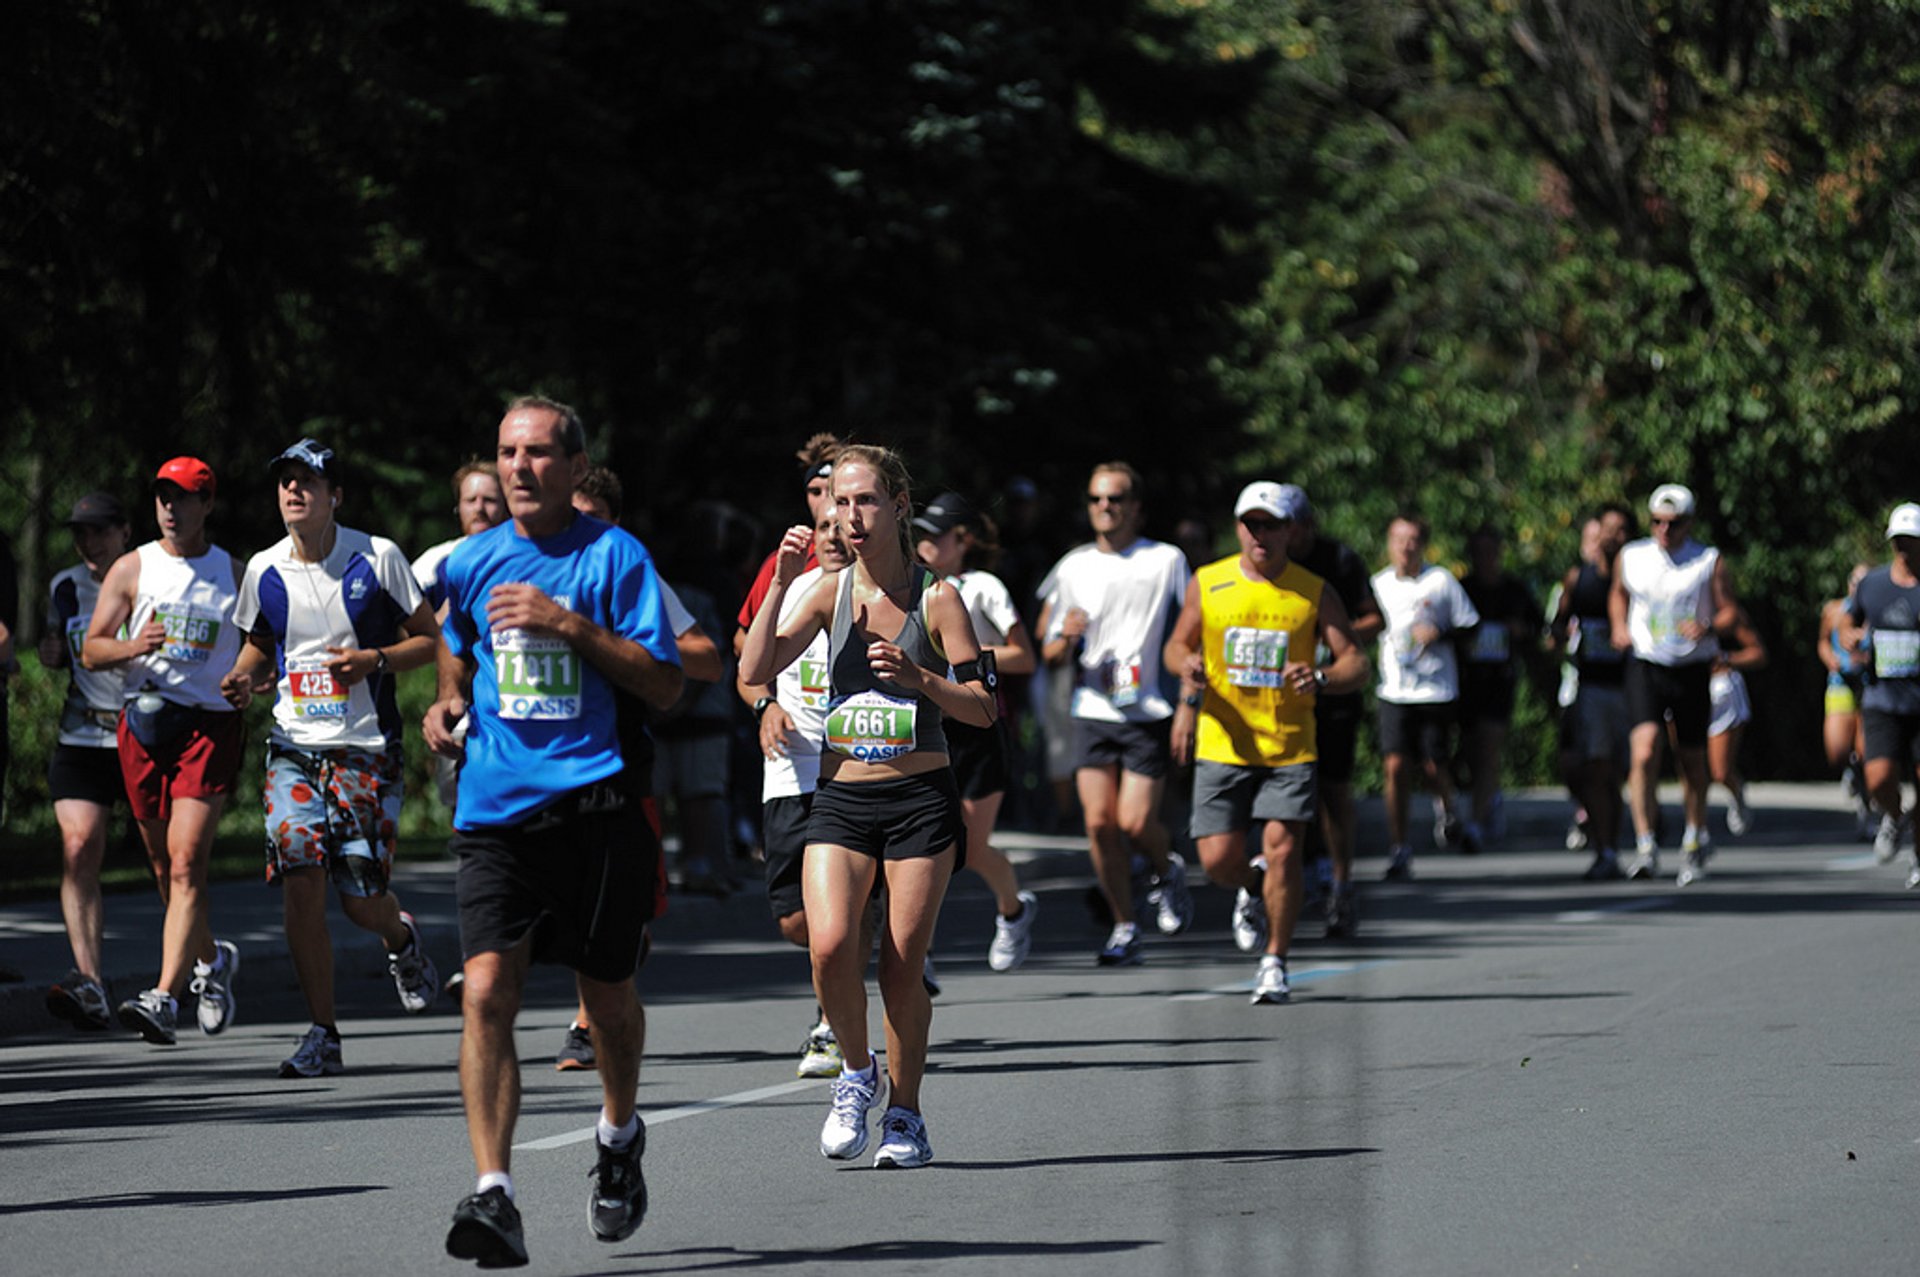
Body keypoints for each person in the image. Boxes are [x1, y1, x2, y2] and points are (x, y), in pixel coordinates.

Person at [426, 397, 682, 1267]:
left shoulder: (616, 558)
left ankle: (617, 1135)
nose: (519, 468)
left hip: (598, 812)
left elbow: (665, 683)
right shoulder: (470, 561)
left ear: (575, 466)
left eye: (537, 453)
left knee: (606, 999)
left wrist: (566, 623)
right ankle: (493, 1191)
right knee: (487, 992)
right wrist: (449, 695)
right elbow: (453, 640)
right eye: (507, 453)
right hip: (495, 812)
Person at [739, 444, 996, 1170]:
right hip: (843, 798)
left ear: (898, 505)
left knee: (901, 965)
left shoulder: (937, 596)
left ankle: (907, 1115)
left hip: (919, 801)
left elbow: (983, 708)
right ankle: (858, 1072)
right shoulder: (825, 590)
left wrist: (921, 676)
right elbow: (754, 670)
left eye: (866, 501)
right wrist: (784, 585)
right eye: (839, 502)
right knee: (828, 946)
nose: (849, 516)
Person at [219, 439, 444, 1077]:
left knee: (358, 897)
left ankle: (398, 936)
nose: (293, 492)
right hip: (293, 745)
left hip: (366, 749)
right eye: (285, 482)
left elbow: (430, 641)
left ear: (334, 497)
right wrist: (241, 676)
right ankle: (323, 1031)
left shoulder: (378, 559)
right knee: (299, 885)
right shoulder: (263, 569)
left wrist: (372, 661)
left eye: (307, 483)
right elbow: (261, 644)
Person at [1164, 483, 1368, 1004]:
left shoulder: (1312, 591)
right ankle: (1251, 887)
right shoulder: (1209, 583)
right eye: (1252, 524)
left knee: (1283, 851)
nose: (1261, 534)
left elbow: (1355, 662)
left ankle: (1275, 961)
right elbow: (1177, 645)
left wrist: (1321, 677)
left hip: (1289, 747)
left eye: (1272, 525)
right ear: (1238, 528)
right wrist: (1185, 668)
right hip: (1223, 742)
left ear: (1289, 531)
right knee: (1215, 861)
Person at [553, 465, 724, 1074]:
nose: (581, 533)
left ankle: (597, 1003)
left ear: (614, 524)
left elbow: (707, 658)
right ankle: (582, 1022)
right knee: (571, 901)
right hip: (545, 766)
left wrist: (617, 645)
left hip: (619, 765)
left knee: (612, 910)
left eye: (593, 521)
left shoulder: (630, 572)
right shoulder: (526, 566)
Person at [81, 457, 245, 1045]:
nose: (172, 508)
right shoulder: (132, 567)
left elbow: (264, 651)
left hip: (209, 726)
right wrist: (132, 645)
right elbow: (93, 650)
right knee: (163, 868)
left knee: (185, 862)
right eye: (163, 497)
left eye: (185, 498)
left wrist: (247, 680)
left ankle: (163, 996)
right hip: (145, 726)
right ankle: (212, 961)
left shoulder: (234, 573)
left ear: (207, 505)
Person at [1037, 461, 1193, 965]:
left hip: (1146, 709)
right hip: (1092, 707)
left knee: (1133, 821)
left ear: (1136, 507)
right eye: (1097, 499)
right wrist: (1066, 637)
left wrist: (1190, 691)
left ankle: (1165, 866)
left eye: (1116, 499)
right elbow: (1048, 650)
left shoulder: (1165, 559)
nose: (1105, 507)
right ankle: (1125, 926)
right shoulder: (1073, 566)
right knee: (1100, 824)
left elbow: (1193, 623)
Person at [914, 491, 1041, 971]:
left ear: (962, 540)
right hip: (933, 728)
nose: (924, 545)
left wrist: (967, 656)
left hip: (981, 727)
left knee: (965, 847)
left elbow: (1023, 656)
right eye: (919, 536)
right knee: (927, 841)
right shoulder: (914, 587)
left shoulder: (984, 587)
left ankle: (1014, 909)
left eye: (935, 536)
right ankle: (917, 954)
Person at [1609, 483, 1741, 886]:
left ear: (1689, 523)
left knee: (1690, 759)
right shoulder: (1632, 556)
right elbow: (1618, 594)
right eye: (1658, 522)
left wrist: (1707, 626)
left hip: (1690, 667)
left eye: (1675, 523)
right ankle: (1646, 844)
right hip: (1646, 665)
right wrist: (1618, 625)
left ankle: (1694, 836)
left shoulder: (1707, 560)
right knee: (1645, 749)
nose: (1665, 531)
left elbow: (1731, 612)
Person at [40, 493, 134, 1028]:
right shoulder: (65, 586)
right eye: (81, 532)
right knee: (78, 849)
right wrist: (50, 654)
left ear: (124, 532)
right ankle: (91, 982)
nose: (89, 542)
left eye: (100, 531)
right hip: (82, 734)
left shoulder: (151, 578)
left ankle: (199, 965)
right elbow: (56, 646)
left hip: (143, 733)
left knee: (173, 863)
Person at [1277, 485, 1383, 935]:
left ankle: (1341, 883)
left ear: (1307, 525)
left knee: (1333, 790)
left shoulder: (1340, 560)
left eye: (1293, 524)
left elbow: (1376, 619)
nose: (1287, 533)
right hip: (1278, 699)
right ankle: (1292, 877)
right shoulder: (1265, 565)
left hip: (1332, 692)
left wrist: (1329, 635)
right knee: (1286, 792)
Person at [1372, 514, 1479, 879]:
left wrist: (1440, 634)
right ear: (1388, 543)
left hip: (1435, 689)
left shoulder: (1441, 581)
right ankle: (1399, 847)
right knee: (1395, 767)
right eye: (1399, 539)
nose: (1406, 546)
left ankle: (1449, 808)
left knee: (1434, 766)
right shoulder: (1378, 585)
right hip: (1394, 690)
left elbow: (1471, 627)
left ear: (1423, 543)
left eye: (1413, 539)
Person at [1547, 505, 1634, 879]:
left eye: (1619, 531)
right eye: (1604, 531)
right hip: (1592, 688)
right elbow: (1556, 628)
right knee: (1595, 770)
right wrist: (1560, 636)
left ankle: (1630, 839)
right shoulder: (1577, 580)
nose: (1610, 539)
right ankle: (1606, 849)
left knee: (1622, 771)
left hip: (1631, 686)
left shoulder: (1639, 579)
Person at [1841, 503, 1920, 888]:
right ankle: (1893, 815)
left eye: (1912, 541)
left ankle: (1919, 858)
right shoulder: (1872, 584)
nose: (1905, 549)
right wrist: (1849, 637)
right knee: (1878, 779)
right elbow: (1846, 620)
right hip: (1882, 700)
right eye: (1899, 541)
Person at [1457, 525, 1539, 848]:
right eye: (1479, 553)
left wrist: (1519, 630)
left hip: (1499, 680)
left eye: (1491, 552)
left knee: (1489, 748)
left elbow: (1538, 628)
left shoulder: (1515, 591)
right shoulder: (1462, 589)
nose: (1485, 559)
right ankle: (1484, 801)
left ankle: (1476, 824)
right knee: (1466, 752)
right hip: (1464, 683)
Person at [1819, 563, 1874, 838]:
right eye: (1855, 581)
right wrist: (1831, 659)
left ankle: (1866, 808)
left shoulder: (1877, 613)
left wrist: (1867, 659)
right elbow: (1823, 642)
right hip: (1840, 683)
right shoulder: (1833, 610)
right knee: (1838, 752)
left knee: (1866, 753)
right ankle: (1850, 774)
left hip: (1869, 685)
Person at [411, 460, 507, 614]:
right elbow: (399, 628)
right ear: (458, 508)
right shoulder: (433, 563)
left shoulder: (526, 557)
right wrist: (439, 624)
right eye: (471, 500)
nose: (479, 508)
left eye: (489, 500)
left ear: (506, 506)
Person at [1705, 607, 1767, 837]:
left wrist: (1727, 658)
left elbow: (1758, 653)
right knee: (1687, 762)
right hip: (1683, 689)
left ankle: (1736, 789)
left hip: (1721, 691)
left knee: (1719, 771)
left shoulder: (1728, 615)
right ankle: (1695, 830)